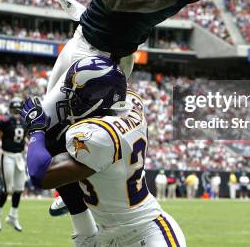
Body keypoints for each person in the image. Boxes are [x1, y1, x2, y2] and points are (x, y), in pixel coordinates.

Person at [40, 0, 220, 244]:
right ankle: (80, 215)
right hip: (82, 37)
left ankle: (85, 231)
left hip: (108, 57)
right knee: (49, 130)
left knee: (65, 137)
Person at [23, 56, 187, 247]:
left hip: (147, 234)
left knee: (53, 140)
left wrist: (36, 130)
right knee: (58, 141)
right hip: (108, 236)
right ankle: (82, 223)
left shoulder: (99, 136)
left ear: (96, 98)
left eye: (76, 96)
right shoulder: (130, 106)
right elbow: (117, 79)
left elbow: (39, 175)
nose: (70, 101)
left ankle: (80, 219)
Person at [0, 98, 27, 232]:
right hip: (7, 156)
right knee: (8, 188)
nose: (16, 112)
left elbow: (24, 138)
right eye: (14, 109)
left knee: (19, 188)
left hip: (19, 156)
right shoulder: (4, 121)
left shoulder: (24, 122)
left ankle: (12, 216)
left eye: (19, 109)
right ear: (10, 110)